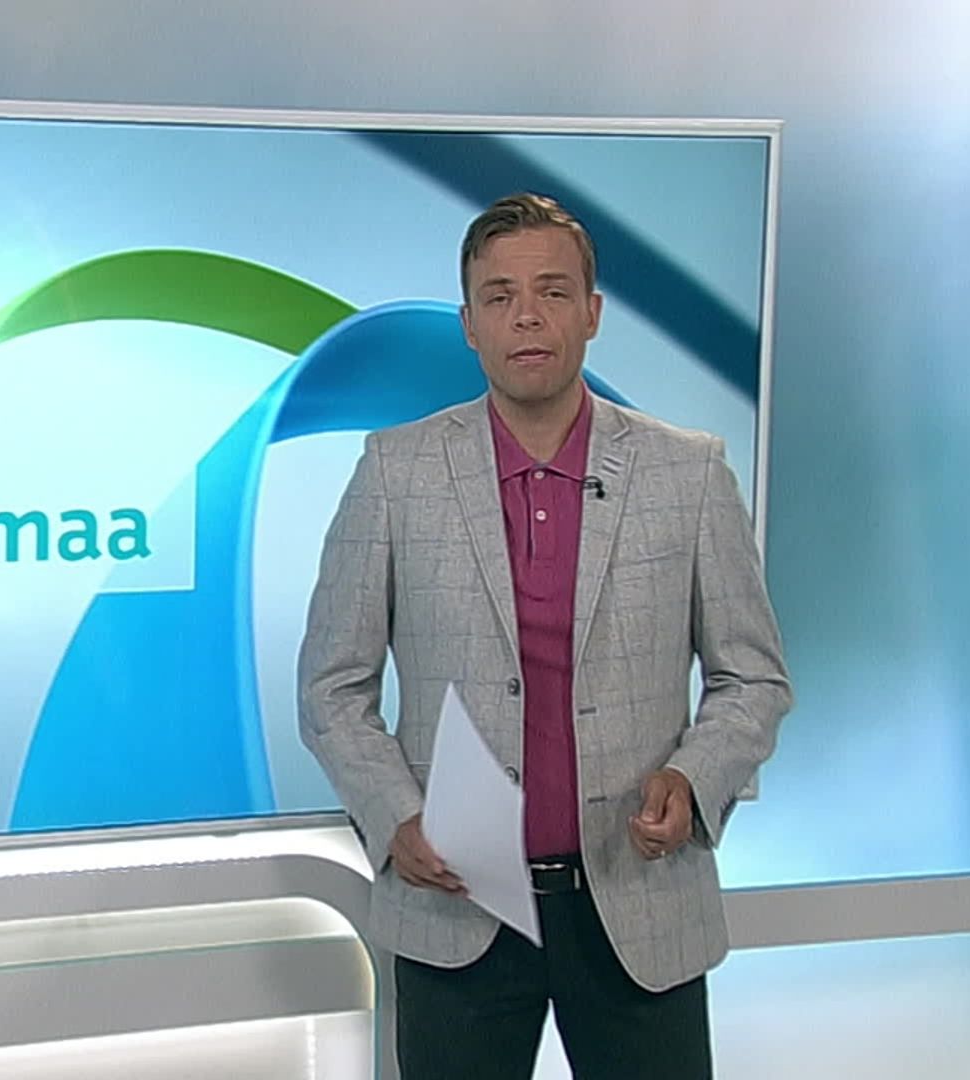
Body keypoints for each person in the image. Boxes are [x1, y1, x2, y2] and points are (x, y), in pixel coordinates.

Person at [297, 193, 791, 1078]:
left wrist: (693, 778)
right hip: (457, 908)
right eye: (500, 296)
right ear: (469, 325)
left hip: (638, 905)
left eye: (553, 292)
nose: (527, 316)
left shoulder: (688, 473)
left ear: (592, 314)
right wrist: (396, 814)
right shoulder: (395, 472)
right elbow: (333, 685)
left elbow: (752, 678)